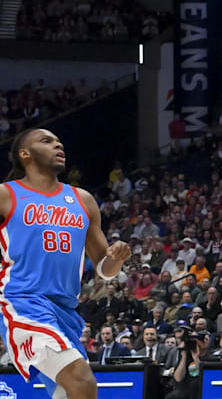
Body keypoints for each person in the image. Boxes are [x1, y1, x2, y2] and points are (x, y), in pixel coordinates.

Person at [0, 129, 132, 399]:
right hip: (22, 303)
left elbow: (103, 270)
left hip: (66, 313)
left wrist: (116, 259)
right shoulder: (6, 194)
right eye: (46, 141)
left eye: (59, 141)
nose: (58, 144)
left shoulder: (83, 200)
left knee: (68, 393)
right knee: (81, 380)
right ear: (25, 154)